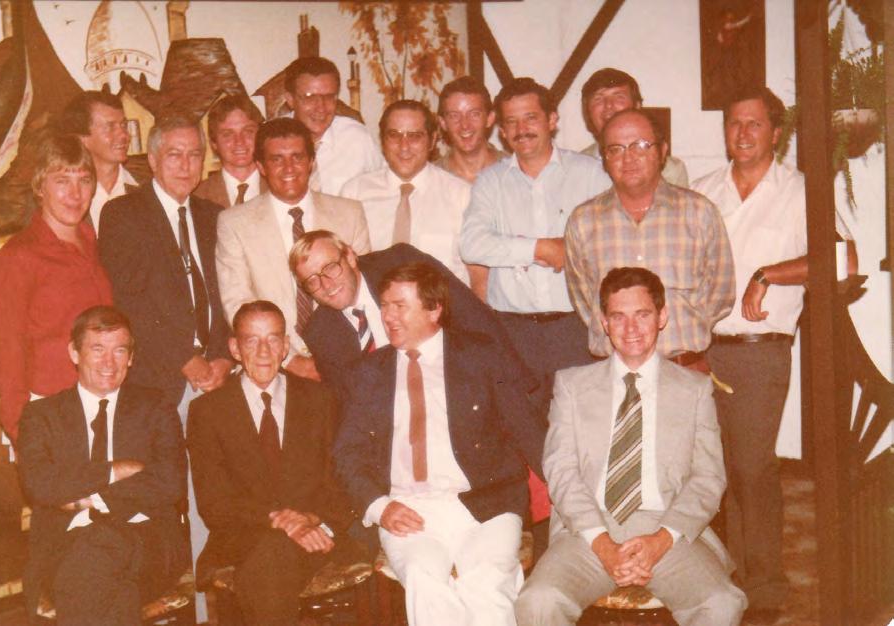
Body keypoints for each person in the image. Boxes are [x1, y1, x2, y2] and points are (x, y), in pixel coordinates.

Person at [691, 87, 857, 621]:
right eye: (734, 123)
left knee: (752, 468)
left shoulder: (801, 190)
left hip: (759, 353)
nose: (743, 134)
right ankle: (719, 583)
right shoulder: (702, 190)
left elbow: (843, 259)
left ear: (777, 133)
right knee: (709, 470)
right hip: (698, 350)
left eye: (755, 124)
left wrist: (769, 274)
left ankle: (764, 587)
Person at [514, 267, 746, 626]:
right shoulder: (572, 386)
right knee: (538, 602)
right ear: (604, 323)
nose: (631, 328)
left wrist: (661, 540)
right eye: (618, 317)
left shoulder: (694, 389)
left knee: (722, 604)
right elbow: (561, 472)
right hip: (588, 531)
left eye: (642, 315)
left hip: (667, 529)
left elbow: (708, 477)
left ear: (662, 317)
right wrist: (602, 544)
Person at [334, 262, 545, 626]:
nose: (387, 316)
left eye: (400, 306)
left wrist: (571, 501)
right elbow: (347, 454)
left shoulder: (480, 356)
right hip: (407, 508)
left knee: (485, 582)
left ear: (434, 309)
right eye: (385, 305)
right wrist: (380, 507)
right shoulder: (367, 374)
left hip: (486, 505)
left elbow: (526, 429)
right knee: (424, 579)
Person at [98, 110, 233, 624]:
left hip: (215, 378)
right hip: (160, 383)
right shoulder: (123, 214)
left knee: (213, 498)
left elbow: (225, 295)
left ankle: (210, 611)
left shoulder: (213, 216)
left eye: (195, 154)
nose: (185, 164)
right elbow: (130, 301)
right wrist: (186, 360)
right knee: (158, 503)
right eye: (173, 154)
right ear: (152, 159)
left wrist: (222, 357)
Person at [187, 301, 362, 625]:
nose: (264, 351)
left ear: (285, 346)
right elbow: (214, 503)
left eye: (273, 339)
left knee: (269, 562)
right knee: (270, 554)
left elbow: (340, 483)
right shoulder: (207, 412)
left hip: (316, 532)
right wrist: (281, 522)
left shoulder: (320, 400)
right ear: (235, 348)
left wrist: (309, 519)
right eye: (252, 340)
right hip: (244, 535)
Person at [17, 305, 187, 625]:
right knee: (110, 586)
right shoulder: (42, 416)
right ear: (74, 353)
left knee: (95, 551)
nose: (109, 363)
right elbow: (40, 484)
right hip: (64, 545)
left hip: (147, 542)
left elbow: (169, 482)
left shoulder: (155, 407)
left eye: (119, 350)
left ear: (131, 358)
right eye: (97, 349)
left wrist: (89, 499)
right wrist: (114, 470)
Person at [565, 109, 735, 372]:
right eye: (616, 149)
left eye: (641, 145)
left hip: (684, 370)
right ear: (605, 159)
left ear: (662, 150)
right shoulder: (583, 221)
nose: (628, 157)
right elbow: (585, 301)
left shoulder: (699, 213)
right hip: (613, 374)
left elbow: (720, 294)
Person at [460, 77, 609, 378]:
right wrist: (540, 248)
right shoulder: (490, 181)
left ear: (552, 120)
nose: (521, 129)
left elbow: (609, 240)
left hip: (576, 328)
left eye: (530, 118)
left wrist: (511, 246)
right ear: (502, 131)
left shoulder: (591, 174)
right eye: (511, 122)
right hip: (512, 332)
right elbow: (472, 245)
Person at [215, 117, 371, 381]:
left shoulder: (350, 213)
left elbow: (362, 293)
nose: (288, 168)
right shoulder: (234, 223)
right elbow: (237, 303)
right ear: (261, 166)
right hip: (271, 365)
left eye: (297, 157)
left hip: (347, 361)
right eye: (277, 159)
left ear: (311, 162)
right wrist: (290, 359)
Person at [289, 230, 526, 403]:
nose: (326, 284)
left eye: (330, 268)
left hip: (462, 389)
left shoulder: (400, 263)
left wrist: (516, 388)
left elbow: (474, 320)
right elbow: (348, 405)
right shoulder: (320, 334)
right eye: (312, 280)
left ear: (350, 257)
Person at [0, 134, 113, 445]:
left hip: (103, 401)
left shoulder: (91, 240)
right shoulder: (16, 258)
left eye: (84, 180)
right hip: (50, 413)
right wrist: (23, 433)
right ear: (40, 186)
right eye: (62, 181)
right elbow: (8, 353)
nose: (75, 194)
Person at [341, 99, 472, 284]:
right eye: (394, 135)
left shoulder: (462, 196)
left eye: (415, 136)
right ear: (382, 140)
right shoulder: (354, 193)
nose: (404, 146)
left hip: (445, 301)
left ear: (432, 140)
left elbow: (477, 273)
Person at [283, 56, 383, 195]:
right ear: (290, 100)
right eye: (310, 97)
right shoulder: (272, 140)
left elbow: (386, 186)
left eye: (329, 97)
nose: (321, 108)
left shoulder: (357, 139)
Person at [579, 68, 689, 187]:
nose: (608, 105)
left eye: (619, 97)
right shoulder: (577, 168)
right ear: (587, 111)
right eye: (598, 98)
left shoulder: (670, 172)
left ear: (637, 106)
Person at [58, 91, 138, 234]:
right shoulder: (62, 197)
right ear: (82, 138)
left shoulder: (147, 188)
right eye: (110, 127)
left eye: (124, 125)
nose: (124, 135)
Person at [194, 94, 265, 208]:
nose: (239, 141)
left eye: (248, 131)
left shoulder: (281, 186)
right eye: (228, 134)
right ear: (214, 143)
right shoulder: (198, 197)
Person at [435, 76, 505, 184]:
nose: (465, 125)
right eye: (454, 116)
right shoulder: (431, 179)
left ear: (490, 118)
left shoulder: (515, 171)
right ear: (443, 123)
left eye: (474, 114)